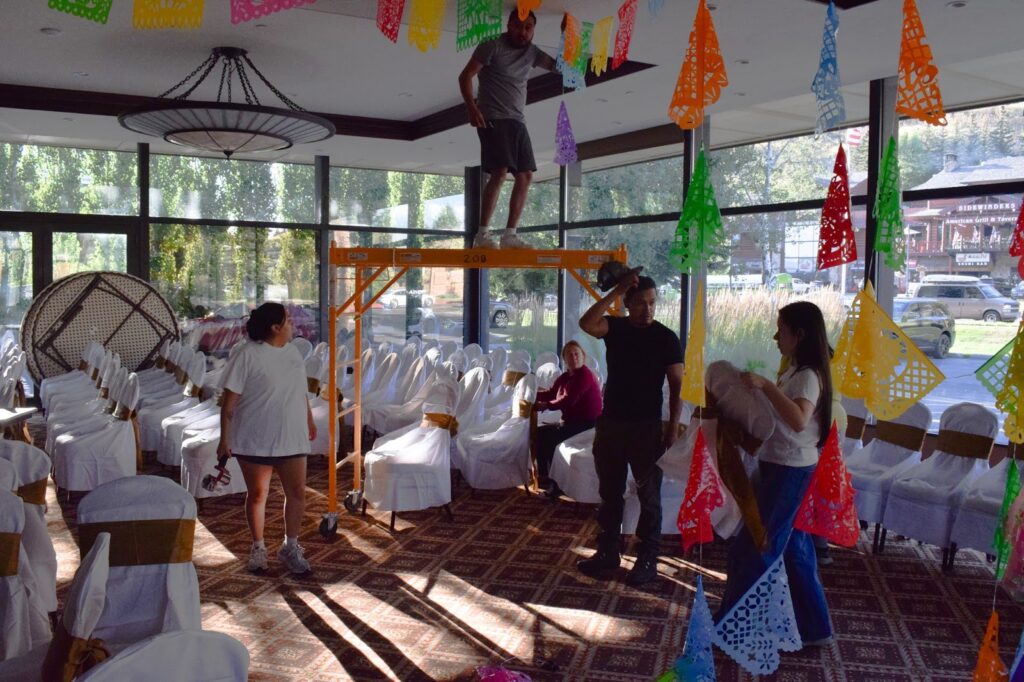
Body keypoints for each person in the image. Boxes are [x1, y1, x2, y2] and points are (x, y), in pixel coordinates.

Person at [716, 301, 834, 648]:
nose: (774, 336)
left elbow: (798, 420)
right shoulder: (796, 371)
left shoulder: (809, 376)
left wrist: (767, 386)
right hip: (783, 464)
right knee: (795, 548)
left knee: (754, 548)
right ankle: (816, 628)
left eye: (780, 330)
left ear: (799, 335)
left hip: (790, 469)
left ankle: (732, 629)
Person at [577, 273, 684, 586]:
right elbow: (587, 323)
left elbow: (677, 385)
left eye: (652, 303)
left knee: (649, 495)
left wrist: (673, 427)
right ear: (627, 304)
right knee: (610, 493)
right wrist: (616, 291)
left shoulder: (666, 337)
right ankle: (608, 551)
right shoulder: (616, 327)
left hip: (647, 427)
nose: (648, 309)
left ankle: (647, 557)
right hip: (611, 424)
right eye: (640, 303)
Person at [218, 302, 317, 575]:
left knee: (296, 493)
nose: (292, 325)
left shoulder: (294, 353)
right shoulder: (247, 354)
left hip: (291, 435)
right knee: (258, 494)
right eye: (287, 321)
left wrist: (308, 418)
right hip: (255, 436)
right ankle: (258, 547)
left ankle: (291, 546)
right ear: (275, 328)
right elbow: (228, 405)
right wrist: (224, 439)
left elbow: (300, 392)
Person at [458, 9, 556, 250]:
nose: (523, 32)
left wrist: (568, 37)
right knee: (500, 171)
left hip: (517, 120)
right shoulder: (492, 45)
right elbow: (465, 76)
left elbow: (559, 66)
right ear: (509, 24)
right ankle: (482, 235)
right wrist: (471, 107)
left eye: (529, 28)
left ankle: (509, 235)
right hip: (492, 117)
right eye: (519, 26)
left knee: (525, 176)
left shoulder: (532, 52)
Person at [534, 340, 602, 499]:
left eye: (576, 353)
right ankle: (545, 476)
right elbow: (551, 393)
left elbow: (568, 399)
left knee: (552, 439)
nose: (574, 357)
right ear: (564, 359)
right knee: (540, 433)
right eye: (569, 354)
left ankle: (555, 484)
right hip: (572, 422)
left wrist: (545, 405)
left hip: (588, 425)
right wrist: (531, 393)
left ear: (583, 356)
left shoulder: (585, 375)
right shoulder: (566, 377)